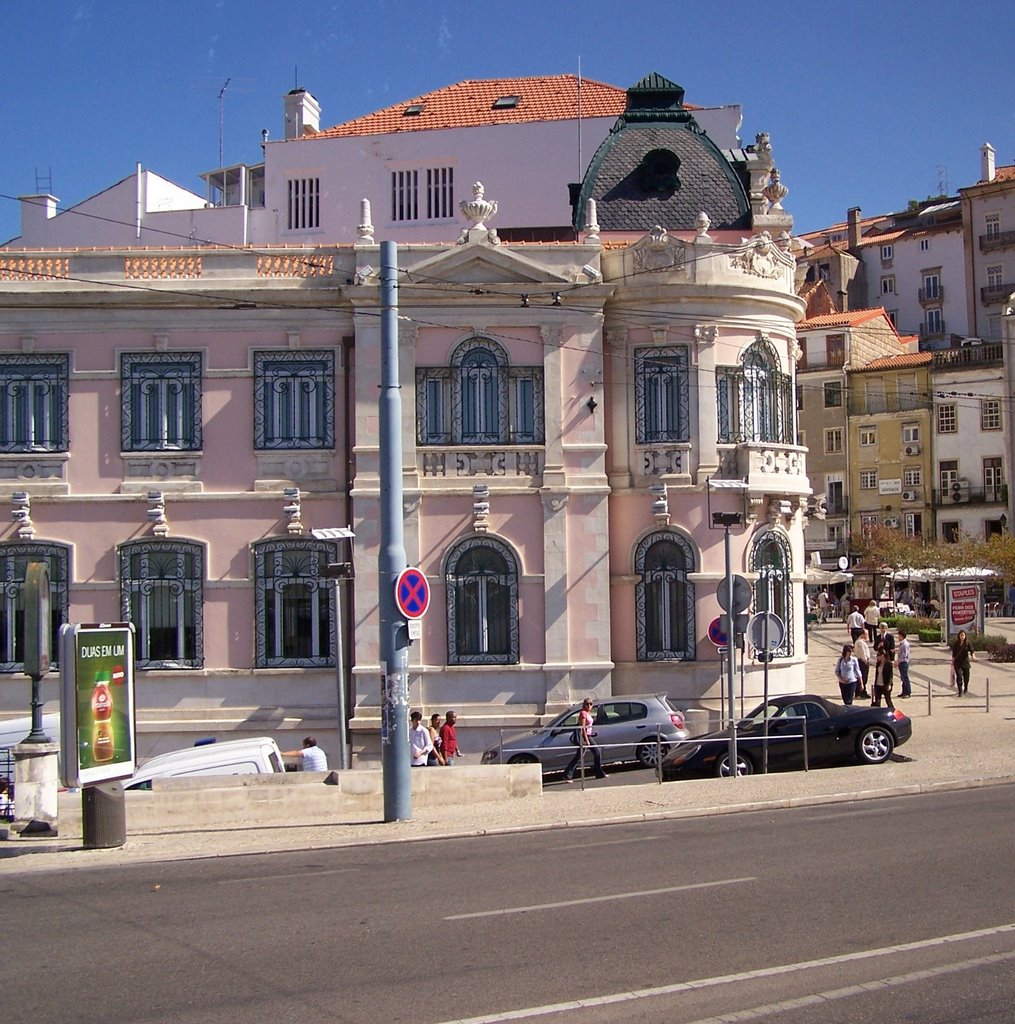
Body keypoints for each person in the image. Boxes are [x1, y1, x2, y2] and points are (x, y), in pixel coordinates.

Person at [563, 697, 606, 782]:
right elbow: (582, 728)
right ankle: (567, 775)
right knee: (582, 755)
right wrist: (586, 739)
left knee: (595, 752)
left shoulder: (588, 713)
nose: (589, 705)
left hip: (588, 735)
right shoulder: (583, 713)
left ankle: (599, 773)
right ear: (584, 705)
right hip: (584, 736)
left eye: (590, 704)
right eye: (587, 704)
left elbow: (589, 726)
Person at [951, 629, 975, 696]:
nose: (962, 636)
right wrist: (952, 662)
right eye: (961, 635)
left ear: (965, 636)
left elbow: (971, 650)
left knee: (966, 677)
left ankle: (966, 687)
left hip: (965, 662)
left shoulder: (967, 643)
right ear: (959, 636)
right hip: (958, 662)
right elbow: (954, 654)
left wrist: (973, 655)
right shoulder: (956, 643)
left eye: (963, 635)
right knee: (959, 675)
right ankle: (960, 690)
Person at [854, 633, 872, 699]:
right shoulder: (860, 642)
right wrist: (865, 660)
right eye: (866, 634)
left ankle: (858, 692)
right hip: (863, 661)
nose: (867, 636)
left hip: (861, 661)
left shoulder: (858, 642)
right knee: (863, 677)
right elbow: (863, 652)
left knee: (861, 677)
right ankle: (862, 692)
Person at [896, 629, 912, 698]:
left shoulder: (905, 644)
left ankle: (907, 692)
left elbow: (904, 655)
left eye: (899, 636)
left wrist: (898, 662)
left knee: (905, 677)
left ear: (902, 636)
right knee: (902, 677)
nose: (898, 637)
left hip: (903, 663)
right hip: (901, 662)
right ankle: (904, 691)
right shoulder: (902, 643)